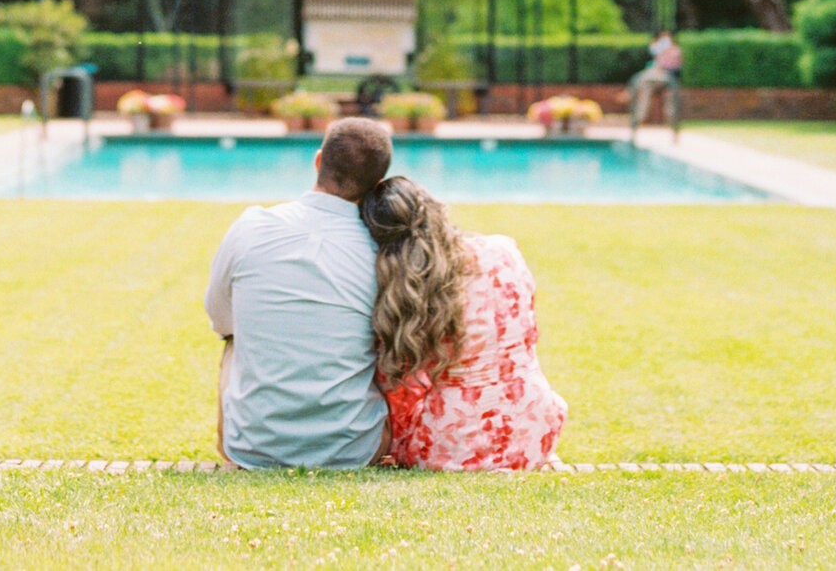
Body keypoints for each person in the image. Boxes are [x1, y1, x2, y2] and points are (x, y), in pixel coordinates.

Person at [202, 115, 394, 469]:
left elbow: (218, 317)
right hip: (356, 449)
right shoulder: (381, 251)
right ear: (377, 184)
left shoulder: (252, 226)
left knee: (232, 338)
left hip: (252, 448)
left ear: (318, 160)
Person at [359, 175, 566, 471]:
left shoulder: (412, 287)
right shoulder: (503, 250)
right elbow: (529, 334)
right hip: (536, 423)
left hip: (456, 443)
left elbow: (400, 390)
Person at [629, 29, 683, 126]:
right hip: (652, 81)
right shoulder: (659, 53)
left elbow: (674, 67)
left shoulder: (675, 51)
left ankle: (672, 123)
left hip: (667, 79)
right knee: (644, 91)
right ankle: (638, 118)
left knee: (670, 103)